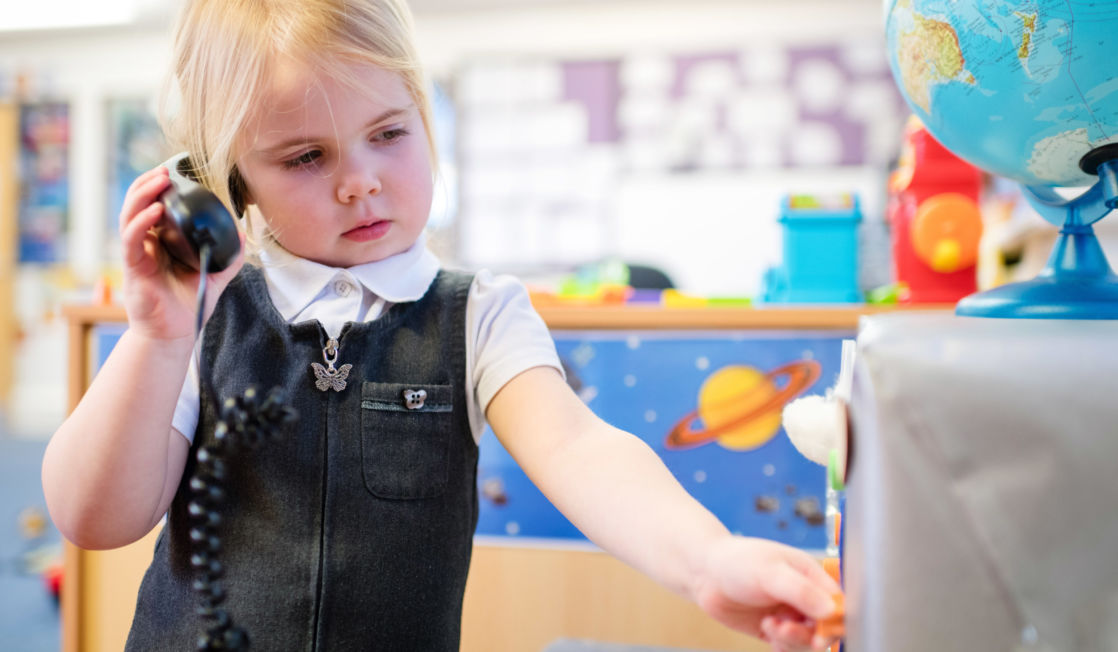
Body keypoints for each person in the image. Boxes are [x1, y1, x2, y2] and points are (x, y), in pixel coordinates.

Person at [41, 1, 842, 650]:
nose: (361, 182)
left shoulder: (480, 314)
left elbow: (579, 448)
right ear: (227, 181)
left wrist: (707, 559)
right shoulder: (204, 320)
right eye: (305, 158)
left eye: (389, 134)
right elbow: (91, 517)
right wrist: (157, 336)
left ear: (427, 122)